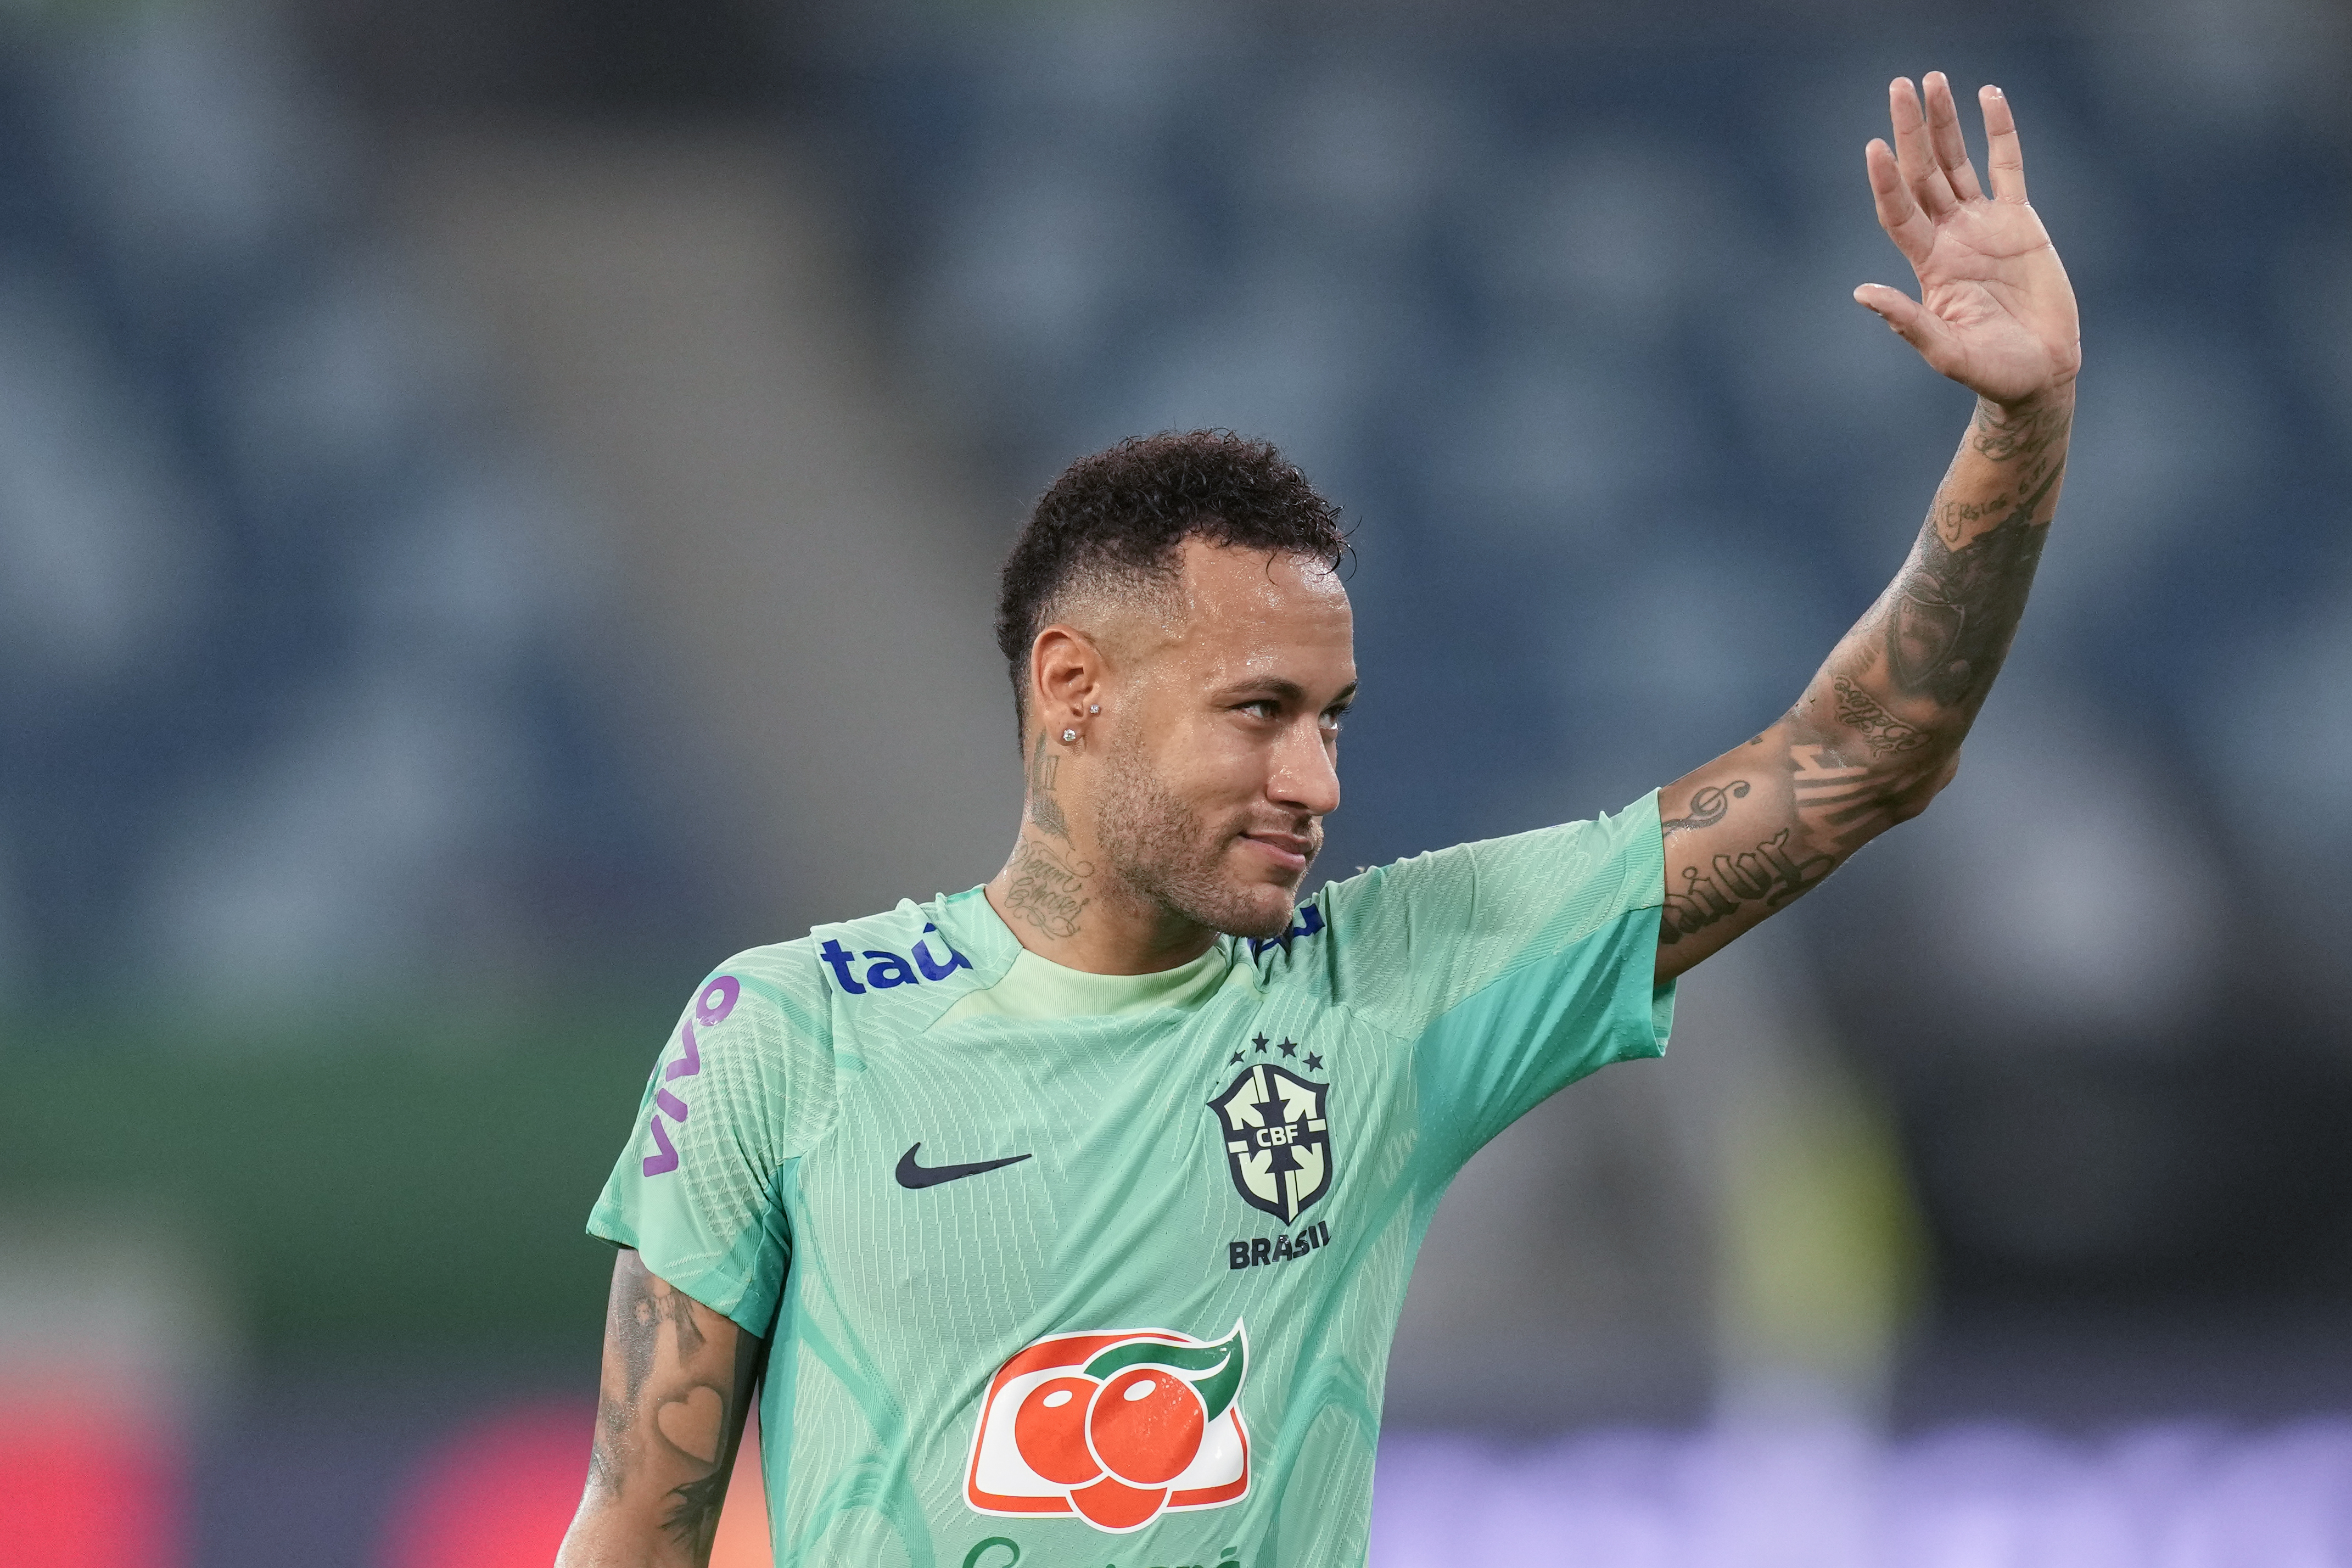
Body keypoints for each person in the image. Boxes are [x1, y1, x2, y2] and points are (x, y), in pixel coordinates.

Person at [556, 71, 2077, 1568]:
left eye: (1330, 722)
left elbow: (1862, 756)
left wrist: (2019, 431)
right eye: (1258, 714)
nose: (1318, 783)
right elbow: (636, 1531)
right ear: (1073, 687)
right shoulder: (785, 1035)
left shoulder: (1391, 990)